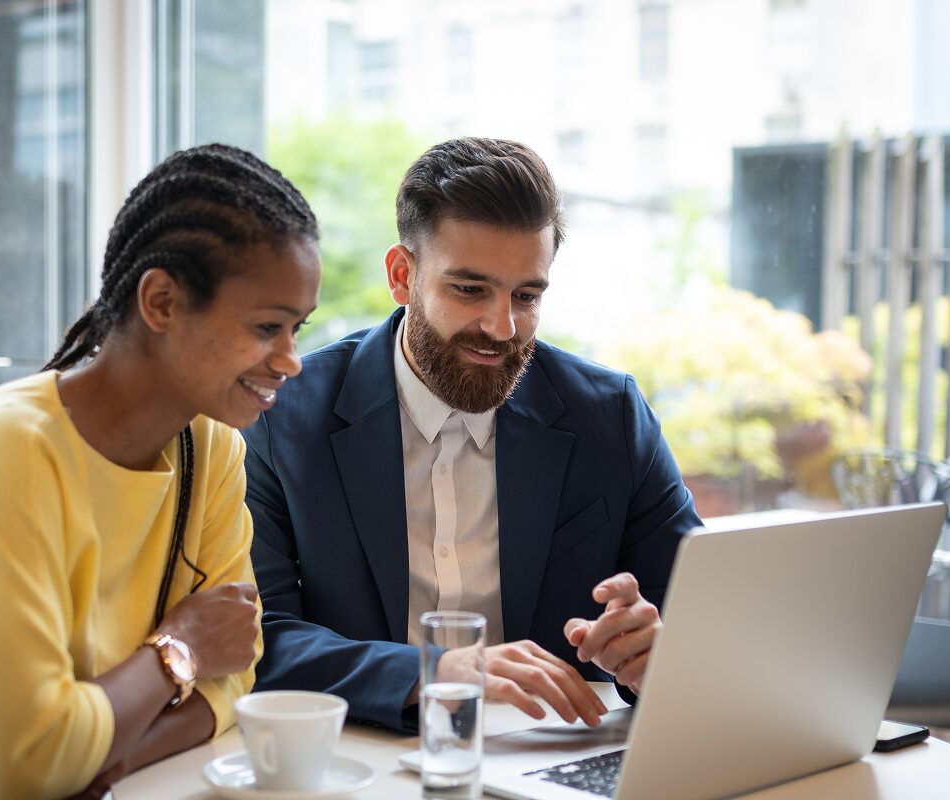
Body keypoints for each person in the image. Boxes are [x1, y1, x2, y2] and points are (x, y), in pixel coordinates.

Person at [0, 143, 321, 799]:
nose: (290, 361)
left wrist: (109, 756)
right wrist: (178, 650)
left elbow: (237, 670)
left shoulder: (211, 448)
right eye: (267, 328)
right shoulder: (5, 456)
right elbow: (22, 765)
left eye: (296, 330)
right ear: (162, 302)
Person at [244, 136, 703, 732]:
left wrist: (655, 658)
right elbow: (258, 638)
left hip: (554, 761)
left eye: (527, 296)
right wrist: (435, 672)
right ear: (402, 275)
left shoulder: (611, 416)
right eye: (470, 289)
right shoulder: (283, 417)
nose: (502, 326)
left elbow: (700, 626)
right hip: (366, 760)